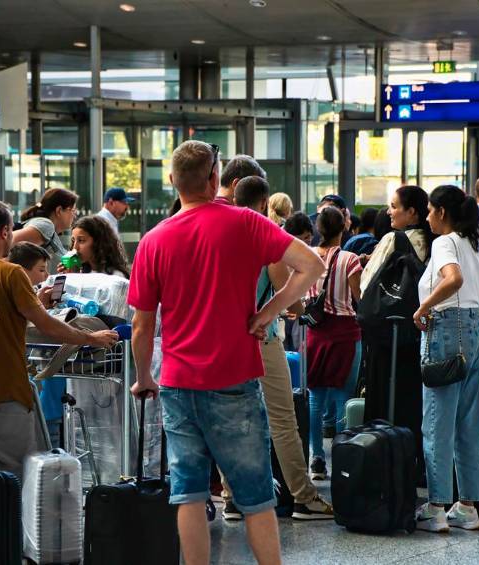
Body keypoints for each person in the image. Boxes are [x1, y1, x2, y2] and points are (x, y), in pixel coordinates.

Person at [127, 140, 324, 565]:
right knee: (255, 496)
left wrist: (144, 376)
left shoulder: (153, 241)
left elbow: (142, 326)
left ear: (173, 183)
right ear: (215, 178)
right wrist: (267, 313)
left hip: (178, 384)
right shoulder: (246, 223)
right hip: (235, 377)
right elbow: (312, 265)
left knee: (189, 493)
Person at [0, 202, 119, 478]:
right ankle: (12, 524)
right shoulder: (10, 272)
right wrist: (91, 337)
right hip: (7, 391)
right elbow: (47, 325)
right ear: (5, 232)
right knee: (17, 478)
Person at [229, 174, 333, 520]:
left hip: (226, 338)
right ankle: (303, 496)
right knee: (282, 418)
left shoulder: (221, 231)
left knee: (231, 419)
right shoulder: (260, 231)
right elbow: (283, 281)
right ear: (263, 203)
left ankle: (231, 498)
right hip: (263, 338)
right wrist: (291, 309)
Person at [412, 185, 479, 532]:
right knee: (469, 426)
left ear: (441, 212)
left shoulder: (445, 242)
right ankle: (467, 507)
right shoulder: (475, 243)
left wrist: (424, 306)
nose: (426, 216)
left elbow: (454, 279)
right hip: (475, 336)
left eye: (429, 210)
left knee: (437, 423)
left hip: (446, 332)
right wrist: (472, 322)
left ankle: (436, 507)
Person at [359, 186, 433, 473]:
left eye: (394, 206)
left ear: (411, 211)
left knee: (383, 395)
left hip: (387, 337)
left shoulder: (393, 239)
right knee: (414, 400)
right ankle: (416, 463)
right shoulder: (435, 241)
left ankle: (385, 464)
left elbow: (367, 283)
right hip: (419, 333)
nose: (388, 211)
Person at [305, 206, 363, 481]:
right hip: (345, 333)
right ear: (343, 229)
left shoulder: (308, 257)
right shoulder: (350, 259)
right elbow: (358, 295)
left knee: (315, 398)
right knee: (343, 396)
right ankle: (342, 458)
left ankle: (316, 458)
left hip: (316, 333)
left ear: (318, 229)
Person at [13, 187, 79, 263]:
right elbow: (8, 243)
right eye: (73, 210)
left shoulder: (49, 230)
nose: (74, 215)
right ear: (59, 211)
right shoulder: (46, 226)